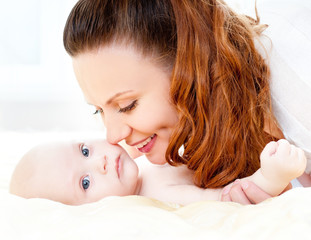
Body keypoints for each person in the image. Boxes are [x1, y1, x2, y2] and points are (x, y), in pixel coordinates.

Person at [62, 0, 311, 204]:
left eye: (128, 105)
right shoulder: (215, 122)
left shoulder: (297, 79)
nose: (113, 136)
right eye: (99, 111)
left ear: (189, 67)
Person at [9, 138, 306, 205]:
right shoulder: (154, 195)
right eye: (85, 183)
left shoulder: (135, 163)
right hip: (277, 174)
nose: (99, 162)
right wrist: (272, 176)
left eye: (85, 151)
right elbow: (227, 202)